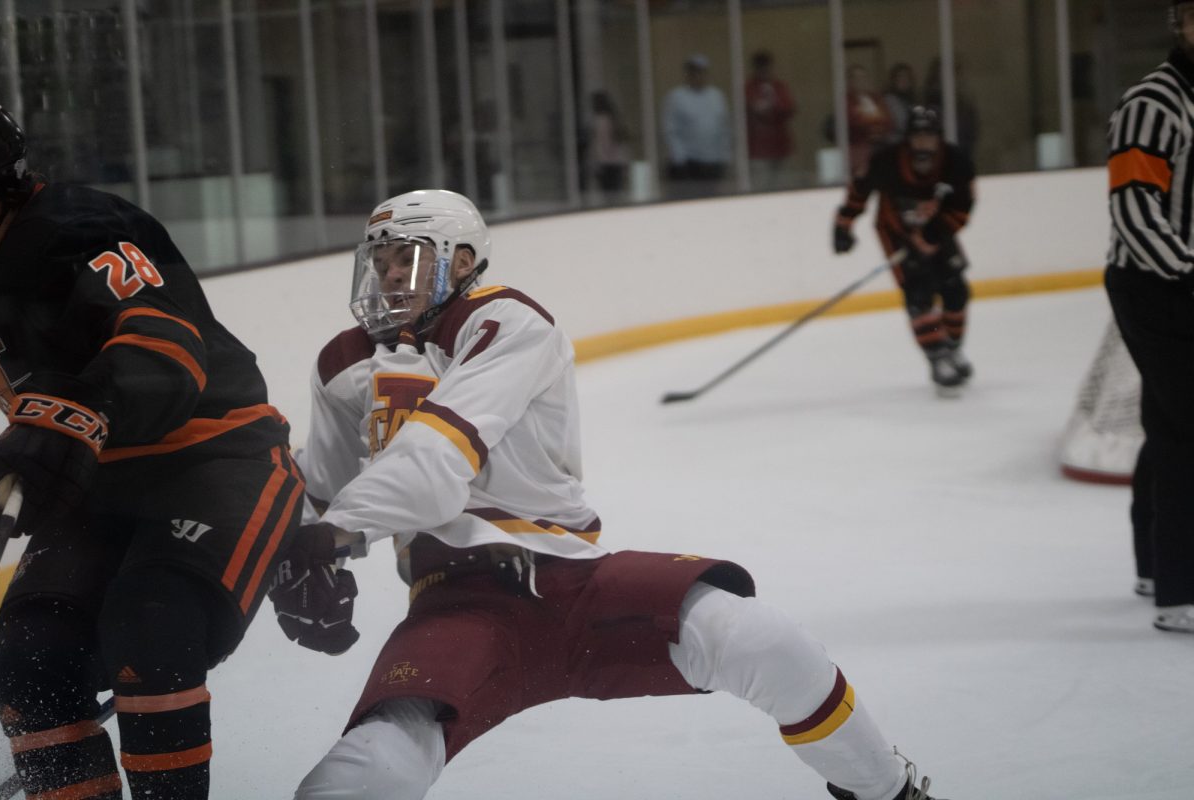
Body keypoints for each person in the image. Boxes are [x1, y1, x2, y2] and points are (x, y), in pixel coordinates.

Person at [269, 189, 952, 800]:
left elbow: (432, 465)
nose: (389, 273)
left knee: (766, 642)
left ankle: (889, 792)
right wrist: (300, 559)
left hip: (572, 582)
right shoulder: (342, 363)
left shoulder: (503, 321)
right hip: (455, 604)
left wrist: (331, 537)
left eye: (409, 257)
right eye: (381, 258)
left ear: (464, 258)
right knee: (363, 772)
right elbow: (322, 494)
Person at [0, 105, 303, 799]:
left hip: (218, 458)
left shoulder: (75, 228)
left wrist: (79, 411)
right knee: (28, 659)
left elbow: (165, 347)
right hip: (96, 486)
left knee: (150, 624)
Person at [1105, 0, 1194, 633]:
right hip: (1156, 285)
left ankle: (1153, 564)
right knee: (1187, 428)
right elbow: (1135, 210)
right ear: (1180, 25)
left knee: (1171, 419)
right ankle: (1180, 590)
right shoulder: (1154, 102)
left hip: (1178, 282)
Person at [831, 106, 976, 394]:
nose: (923, 143)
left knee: (956, 290)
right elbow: (859, 189)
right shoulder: (886, 161)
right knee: (919, 295)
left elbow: (963, 205)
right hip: (896, 233)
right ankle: (937, 357)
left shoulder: (956, 162)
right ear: (907, 139)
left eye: (929, 137)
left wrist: (933, 234)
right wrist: (843, 224)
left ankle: (953, 348)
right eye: (917, 137)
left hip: (939, 228)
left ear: (938, 138)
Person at [662, 54, 732, 199]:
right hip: (688, 163)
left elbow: (724, 128)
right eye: (694, 72)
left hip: (713, 162)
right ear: (687, 74)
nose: (697, 76)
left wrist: (724, 156)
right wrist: (679, 159)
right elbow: (670, 130)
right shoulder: (676, 97)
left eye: (701, 72)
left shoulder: (716, 96)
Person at [745, 50, 797, 190]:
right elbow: (754, 111)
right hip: (758, 149)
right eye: (760, 67)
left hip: (781, 146)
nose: (764, 70)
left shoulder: (779, 86)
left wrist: (773, 104)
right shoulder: (749, 88)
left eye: (766, 66)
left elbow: (789, 108)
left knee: (784, 188)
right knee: (760, 188)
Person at [845, 65, 893, 178]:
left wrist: (874, 126)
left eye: (863, 77)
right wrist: (875, 125)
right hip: (859, 147)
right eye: (856, 78)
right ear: (850, 81)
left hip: (881, 145)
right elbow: (854, 122)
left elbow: (889, 121)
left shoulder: (876, 98)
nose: (860, 81)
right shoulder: (847, 100)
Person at [587, 90, 631, 203]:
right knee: (616, 194)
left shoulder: (600, 121)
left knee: (608, 197)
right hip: (617, 162)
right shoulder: (614, 118)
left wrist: (596, 163)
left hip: (606, 164)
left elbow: (601, 145)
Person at [883, 63, 918, 142]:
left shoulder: (912, 99)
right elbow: (902, 124)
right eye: (900, 77)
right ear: (894, 80)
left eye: (907, 77)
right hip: (895, 141)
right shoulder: (889, 99)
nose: (904, 80)